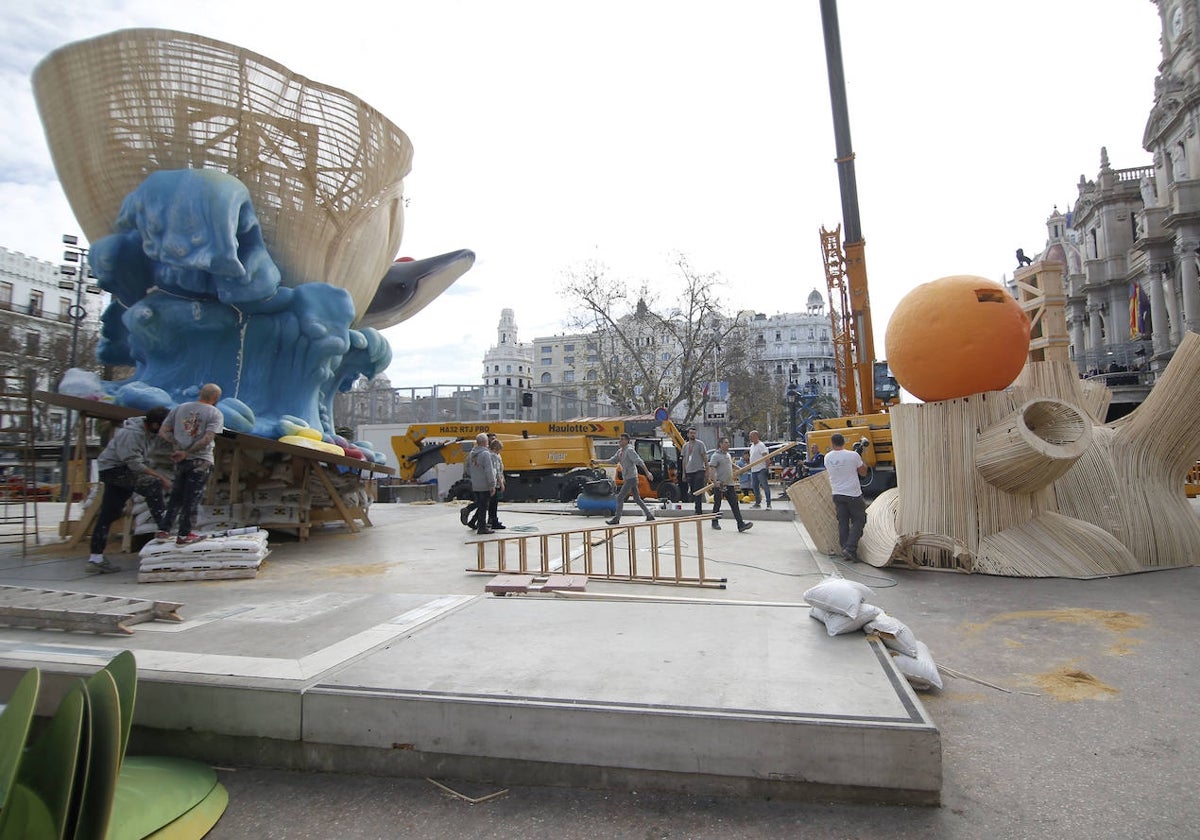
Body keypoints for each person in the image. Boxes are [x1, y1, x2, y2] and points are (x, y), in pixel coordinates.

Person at [86, 407, 173, 573]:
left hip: (120, 470)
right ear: (155, 425)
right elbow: (135, 464)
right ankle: (164, 528)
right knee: (152, 485)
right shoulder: (133, 434)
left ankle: (95, 558)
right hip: (115, 470)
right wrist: (162, 478)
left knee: (110, 513)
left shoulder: (146, 432)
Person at [158, 383, 224, 546]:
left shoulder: (179, 408)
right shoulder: (214, 413)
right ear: (215, 398)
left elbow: (163, 431)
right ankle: (184, 534)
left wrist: (177, 445)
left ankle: (164, 529)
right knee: (192, 497)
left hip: (181, 460)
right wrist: (188, 451)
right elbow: (208, 438)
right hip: (201, 460)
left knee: (176, 495)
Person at [825, 432, 868, 562]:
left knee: (843, 522)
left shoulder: (827, 457)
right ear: (844, 442)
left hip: (837, 494)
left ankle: (845, 550)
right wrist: (860, 457)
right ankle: (850, 548)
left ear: (832, 443)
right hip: (853, 494)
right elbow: (863, 472)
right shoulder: (853, 455)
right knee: (859, 520)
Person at [599, 433, 655, 525]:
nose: (620, 441)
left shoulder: (629, 450)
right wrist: (598, 461)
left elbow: (639, 461)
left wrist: (647, 472)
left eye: (622, 439)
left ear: (626, 441)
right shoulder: (620, 451)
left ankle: (616, 519)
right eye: (619, 439)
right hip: (629, 477)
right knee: (637, 499)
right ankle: (649, 515)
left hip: (631, 478)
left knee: (620, 497)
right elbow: (612, 460)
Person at [707, 437, 752, 533]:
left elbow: (730, 464)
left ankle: (740, 524)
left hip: (729, 484)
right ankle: (714, 522)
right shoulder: (715, 456)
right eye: (726, 443)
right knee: (717, 504)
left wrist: (739, 469)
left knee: (734, 504)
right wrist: (715, 482)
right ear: (720, 444)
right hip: (720, 484)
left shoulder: (727, 455)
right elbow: (712, 470)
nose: (728, 444)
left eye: (728, 442)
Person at [461, 432, 498, 529]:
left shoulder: (472, 454)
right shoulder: (485, 454)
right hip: (485, 483)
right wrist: (492, 484)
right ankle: (481, 526)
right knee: (484, 505)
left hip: (475, 483)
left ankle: (475, 521)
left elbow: (467, 469)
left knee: (481, 503)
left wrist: (474, 476)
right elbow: (489, 470)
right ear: (485, 442)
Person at [680, 427, 708, 516]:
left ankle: (698, 510)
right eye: (691, 433)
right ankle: (696, 506)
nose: (692, 435)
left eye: (694, 433)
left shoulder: (700, 444)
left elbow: (704, 457)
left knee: (698, 490)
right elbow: (684, 460)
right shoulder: (685, 446)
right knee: (692, 491)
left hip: (699, 470)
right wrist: (684, 473)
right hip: (689, 471)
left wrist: (707, 469)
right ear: (688, 434)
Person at [484, 437, 507, 530]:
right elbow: (497, 471)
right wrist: (501, 483)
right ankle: (494, 521)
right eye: (499, 450)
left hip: (492, 483)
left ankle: (491, 520)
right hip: (496, 484)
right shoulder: (494, 456)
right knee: (494, 504)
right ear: (496, 448)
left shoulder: (489, 455)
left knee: (491, 503)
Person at [747, 430, 772, 509]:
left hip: (761, 469)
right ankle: (757, 503)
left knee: (765, 486)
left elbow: (766, 457)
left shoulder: (761, 445)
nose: (750, 438)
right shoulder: (752, 446)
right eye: (750, 436)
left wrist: (767, 467)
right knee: (755, 487)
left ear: (756, 436)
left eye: (751, 436)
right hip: (754, 470)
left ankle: (768, 504)